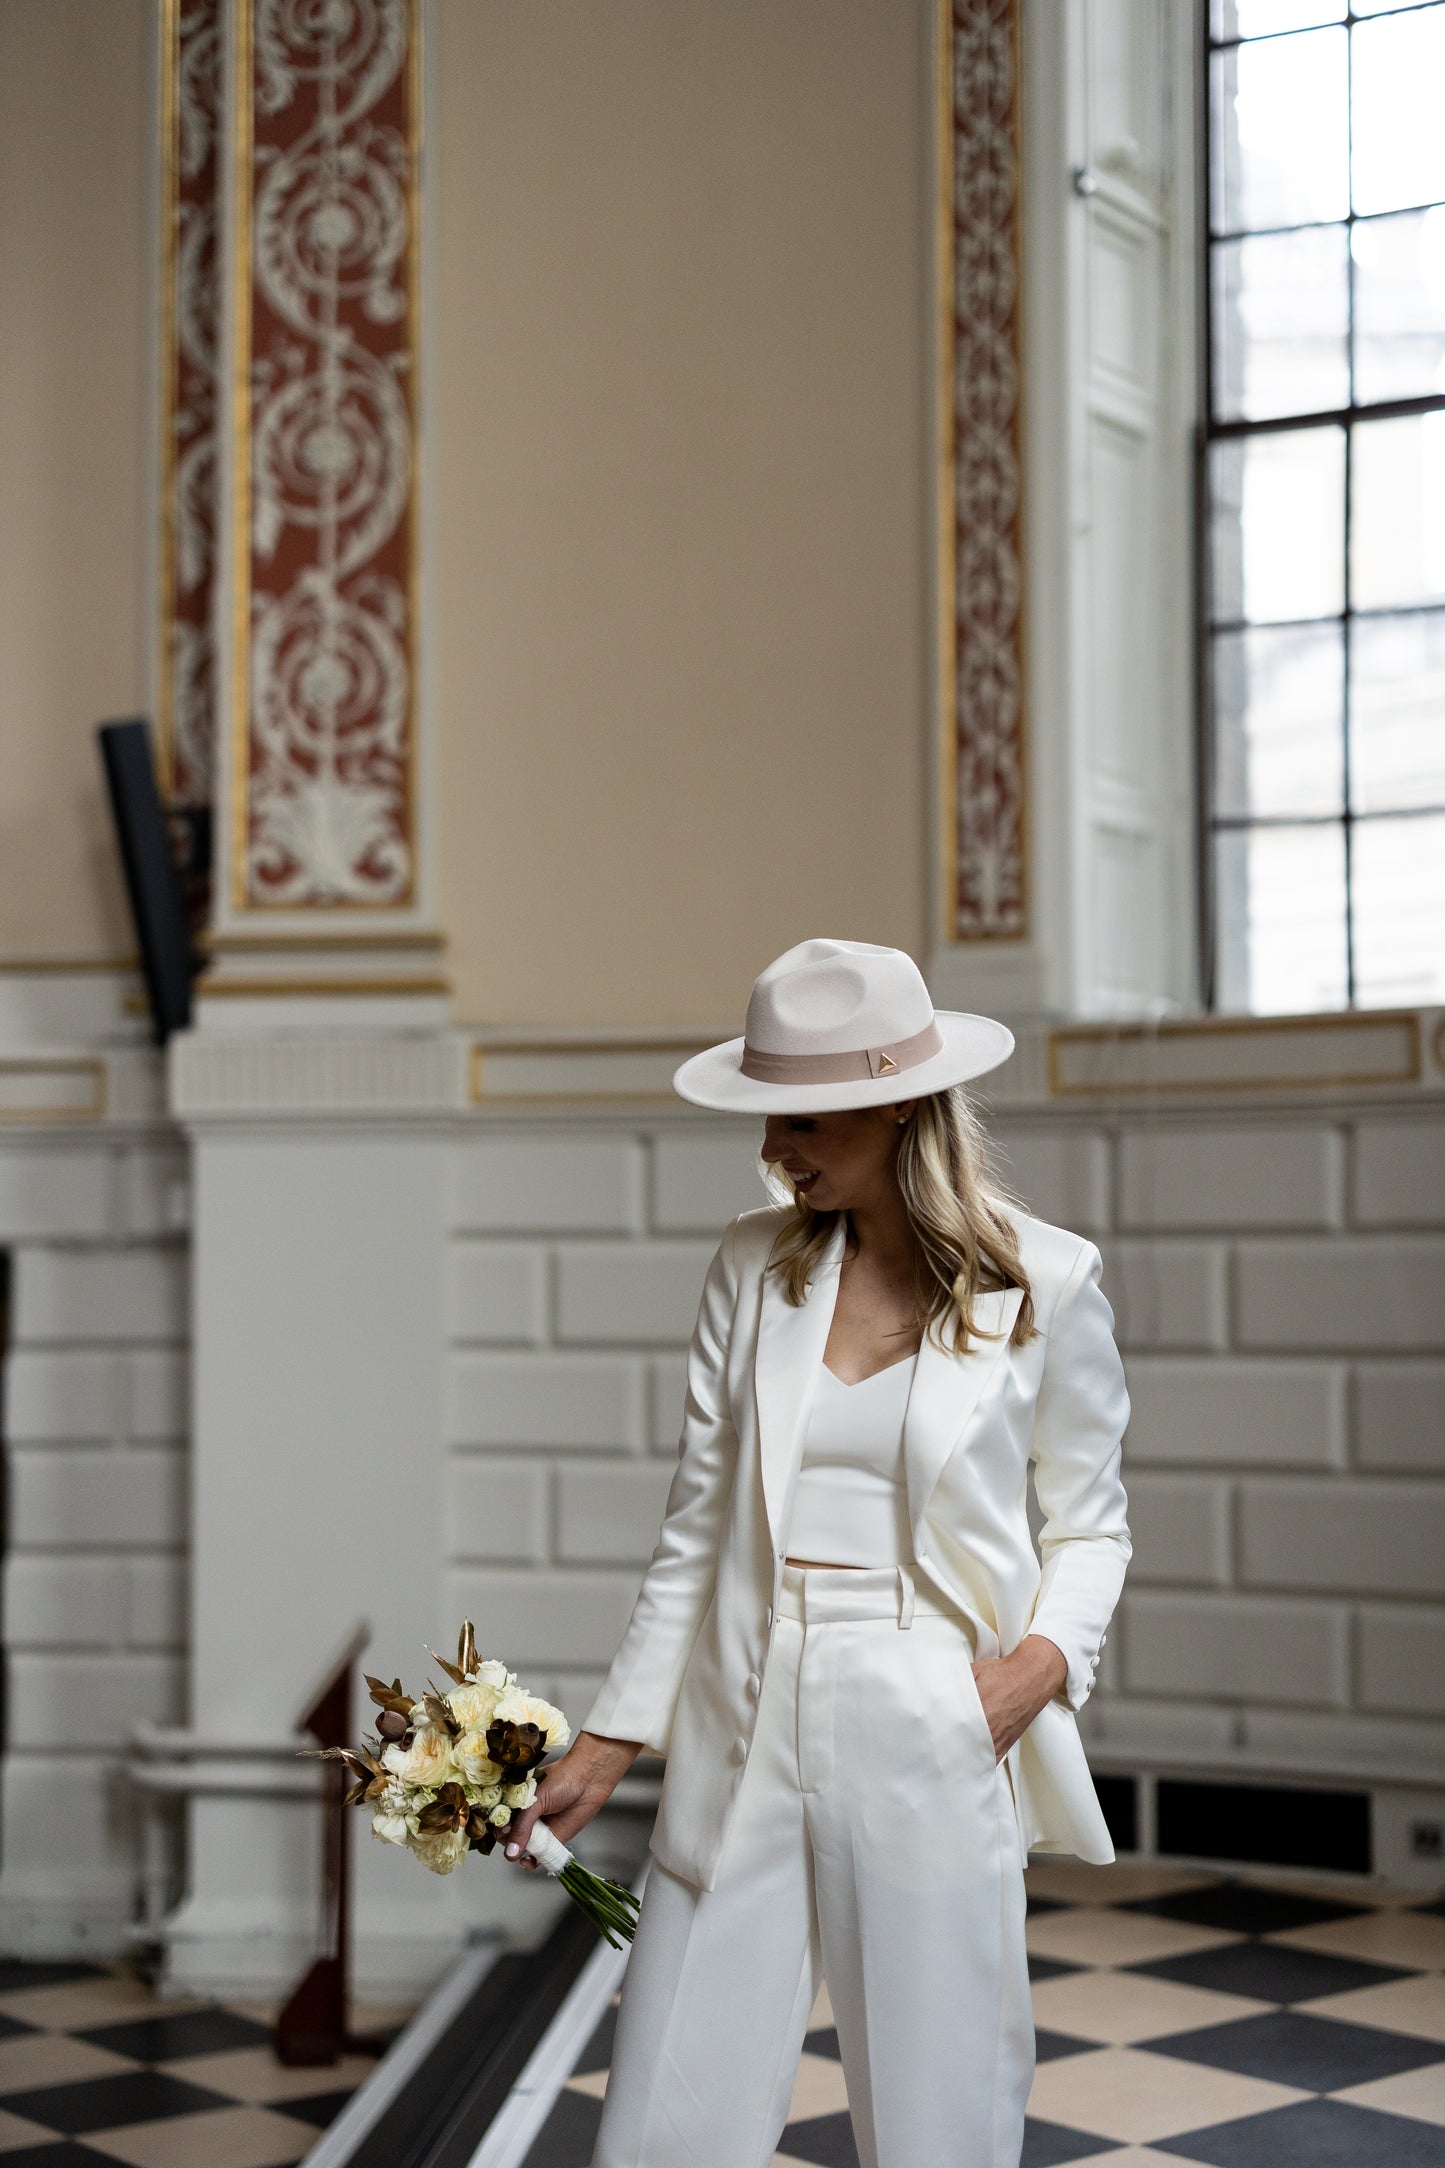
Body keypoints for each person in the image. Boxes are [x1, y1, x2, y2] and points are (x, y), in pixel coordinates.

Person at [507, 938, 1132, 2168]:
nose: (771, 1150)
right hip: (744, 1695)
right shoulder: (752, 1263)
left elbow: (1091, 1522)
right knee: (667, 2097)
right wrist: (609, 1735)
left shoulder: (1045, 1278)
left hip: (929, 1698)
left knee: (936, 2095)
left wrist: (1035, 1668)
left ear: (896, 1097)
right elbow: (695, 1523)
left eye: (795, 1116)